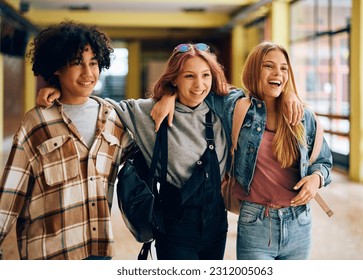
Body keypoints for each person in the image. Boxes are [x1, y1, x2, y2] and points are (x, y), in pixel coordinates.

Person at [35, 43, 303, 260]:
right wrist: (60, 90)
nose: (199, 84)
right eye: (189, 76)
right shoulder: (149, 113)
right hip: (174, 229)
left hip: (216, 225)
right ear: (174, 79)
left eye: (205, 75)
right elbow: (102, 107)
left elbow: (258, 98)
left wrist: (289, 94)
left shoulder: (222, 108)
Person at [152, 41, 333, 260]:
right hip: (255, 222)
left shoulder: (302, 115)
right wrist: (168, 97)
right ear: (254, 69)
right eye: (268, 66)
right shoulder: (235, 106)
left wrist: (316, 178)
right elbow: (197, 89)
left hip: (300, 223)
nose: (278, 73)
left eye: (283, 68)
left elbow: (323, 162)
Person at [0, 21, 134, 260]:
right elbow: (11, 192)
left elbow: (148, 149)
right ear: (56, 68)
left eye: (93, 63)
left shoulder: (113, 118)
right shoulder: (37, 121)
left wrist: (169, 95)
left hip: (98, 249)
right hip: (50, 253)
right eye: (76, 64)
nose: (88, 73)